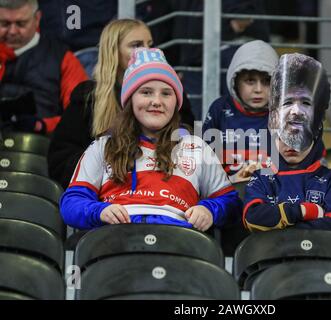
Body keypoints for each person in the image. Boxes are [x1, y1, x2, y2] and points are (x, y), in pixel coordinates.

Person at [60, 48, 241, 231]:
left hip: (178, 244)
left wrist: (209, 210)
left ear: (176, 102)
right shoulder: (104, 145)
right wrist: (99, 211)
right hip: (115, 241)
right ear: (130, 100)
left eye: (166, 93)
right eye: (146, 92)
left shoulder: (195, 147)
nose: (156, 101)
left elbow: (231, 202)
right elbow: (71, 204)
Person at [47, 19, 195, 189]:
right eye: (136, 45)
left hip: (162, 193)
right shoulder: (88, 97)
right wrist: (109, 166)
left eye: (150, 44)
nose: (146, 51)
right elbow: (60, 160)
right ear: (113, 52)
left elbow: (189, 142)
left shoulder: (171, 93)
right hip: (104, 198)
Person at [242, 53, 331, 233]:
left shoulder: (329, 180)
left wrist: (282, 224)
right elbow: (253, 219)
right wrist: (303, 211)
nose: (291, 146)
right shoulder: (262, 177)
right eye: (283, 138)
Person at [0, 0, 88, 134]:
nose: (12, 31)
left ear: (37, 19)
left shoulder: (63, 58)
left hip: (42, 146)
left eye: (21, 24)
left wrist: (43, 125)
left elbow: (81, 114)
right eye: (5, 24)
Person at [202, 40, 278, 183]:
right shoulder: (220, 109)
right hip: (226, 190)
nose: (258, 89)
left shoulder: (283, 114)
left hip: (271, 195)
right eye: (250, 81)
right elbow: (205, 163)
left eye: (267, 81)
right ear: (235, 81)